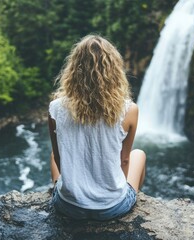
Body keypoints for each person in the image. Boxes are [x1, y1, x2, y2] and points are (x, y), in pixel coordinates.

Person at [48, 34, 146, 220]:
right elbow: (124, 160)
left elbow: (59, 157)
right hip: (112, 208)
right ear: (114, 69)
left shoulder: (56, 108)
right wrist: (113, 191)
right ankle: (126, 200)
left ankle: (64, 190)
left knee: (54, 154)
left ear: (74, 69)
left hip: (69, 207)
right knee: (138, 155)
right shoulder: (129, 110)